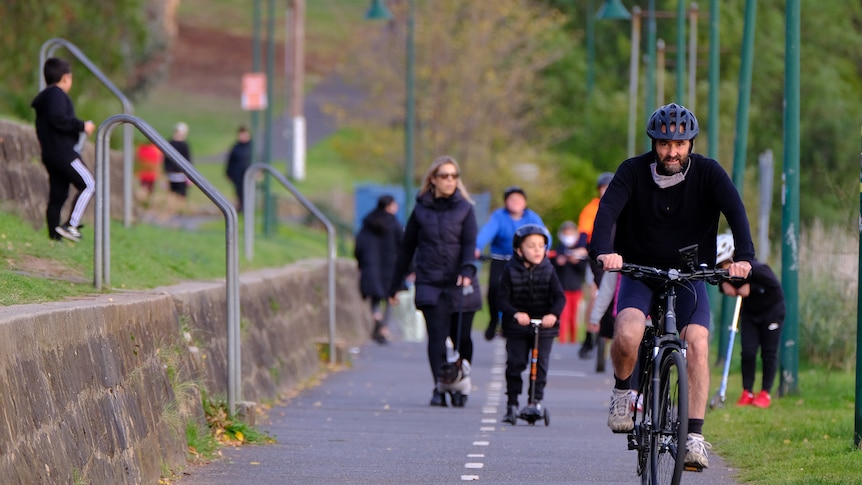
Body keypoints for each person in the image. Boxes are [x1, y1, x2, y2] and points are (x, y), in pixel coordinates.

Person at [590, 102, 755, 471]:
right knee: (629, 332)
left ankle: (694, 435)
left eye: (680, 144)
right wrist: (604, 251)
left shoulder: (709, 173)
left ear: (691, 143)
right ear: (654, 142)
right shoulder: (632, 171)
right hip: (639, 269)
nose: (672, 151)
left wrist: (744, 256)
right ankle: (621, 392)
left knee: (696, 342)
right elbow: (607, 213)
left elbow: (736, 211)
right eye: (664, 144)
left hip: (689, 274)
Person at [388, 156, 482, 407]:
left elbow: (469, 244)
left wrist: (467, 269)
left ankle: (461, 381)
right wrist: (395, 284)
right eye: (444, 176)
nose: (450, 180)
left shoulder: (465, 209)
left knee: (462, 338)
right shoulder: (420, 210)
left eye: (454, 176)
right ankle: (440, 386)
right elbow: (406, 249)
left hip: (460, 282)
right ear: (433, 179)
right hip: (430, 281)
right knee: (437, 337)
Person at [497, 224, 566, 423]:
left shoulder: (549, 270)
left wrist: (552, 315)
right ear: (519, 250)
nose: (537, 250)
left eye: (541, 246)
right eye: (531, 246)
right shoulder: (510, 270)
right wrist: (515, 313)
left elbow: (560, 298)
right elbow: (501, 299)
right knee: (515, 363)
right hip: (517, 326)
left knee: (540, 363)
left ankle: (535, 401)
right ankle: (512, 403)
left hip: (544, 325)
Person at [715, 233, 785, 409]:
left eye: (725, 266)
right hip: (750, 315)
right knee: (747, 352)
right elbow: (721, 283)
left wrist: (751, 288)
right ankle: (747, 391)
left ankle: (765, 393)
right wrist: (725, 287)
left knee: (768, 353)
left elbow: (775, 287)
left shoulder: (758, 269)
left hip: (772, 312)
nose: (725, 271)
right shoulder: (725, 273)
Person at [31, 57, 96, 243]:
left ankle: (54, 237)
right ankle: (71, 225)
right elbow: (58, 118)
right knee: (89, 184)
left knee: (58, 195)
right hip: (64, 153)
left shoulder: (46, 97)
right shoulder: (57, 95)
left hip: (50, 154)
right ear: (66, 78)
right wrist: (82, 125)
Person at [475, 186, 545, 341]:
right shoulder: (499, 216)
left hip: (523, 261)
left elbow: (543, 235)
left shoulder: (532, 218)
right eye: (511, 199)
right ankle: (494, 319)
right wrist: (477, 247)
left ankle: (517, 322)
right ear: (506, 202)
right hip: (500, 260)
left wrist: (542, 250)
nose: (515, 202)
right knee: (494, 288)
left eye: (519, 199)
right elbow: (487, 232)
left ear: (525, 202)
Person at [355, 194, 403, 344]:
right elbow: (403, 245)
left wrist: (361, 262)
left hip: (371, 265)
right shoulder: (394, 224)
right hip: (390, 266)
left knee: (374, 296)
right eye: (395, 205)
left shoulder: (368, 222)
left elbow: (359, 245)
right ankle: (384, 328)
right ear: (388, 206)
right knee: (390, 297)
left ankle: (376, 316)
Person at [577, 171, 614, 359]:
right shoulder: (592, 208)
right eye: (603, 188)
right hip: (596, 255)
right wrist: (581, 247)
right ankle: (589, 336)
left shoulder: (624, 205)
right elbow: (584, 232)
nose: (606, 191)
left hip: (618, 256)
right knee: (595, 293)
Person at [548, 221, 588, 344]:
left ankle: (573, 341)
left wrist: (577, 262)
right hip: (562, 289)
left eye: (570, 232)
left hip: (576, 289)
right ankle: (563, 341)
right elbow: (552, 268)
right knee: (563, 316)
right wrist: (559, 262)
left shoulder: (580, 251)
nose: (568, 235)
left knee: (573, 317)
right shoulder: (558, 249)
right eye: (566, 232)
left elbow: (583, 270)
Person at [225, 125, 252, 211]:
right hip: (237, 174)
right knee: (239, 192)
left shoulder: (251, 147)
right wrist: (228, 173)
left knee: (248, 191)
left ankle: (248, 208)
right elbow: (230, 161)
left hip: (249, 173)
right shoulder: (235, 147)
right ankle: (241, 207)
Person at [165, 122, 192, 197]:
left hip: (178, 174)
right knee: (177, 194)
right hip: (176, 173)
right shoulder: (181, 144)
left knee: (177, 194)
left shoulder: (170, 143)